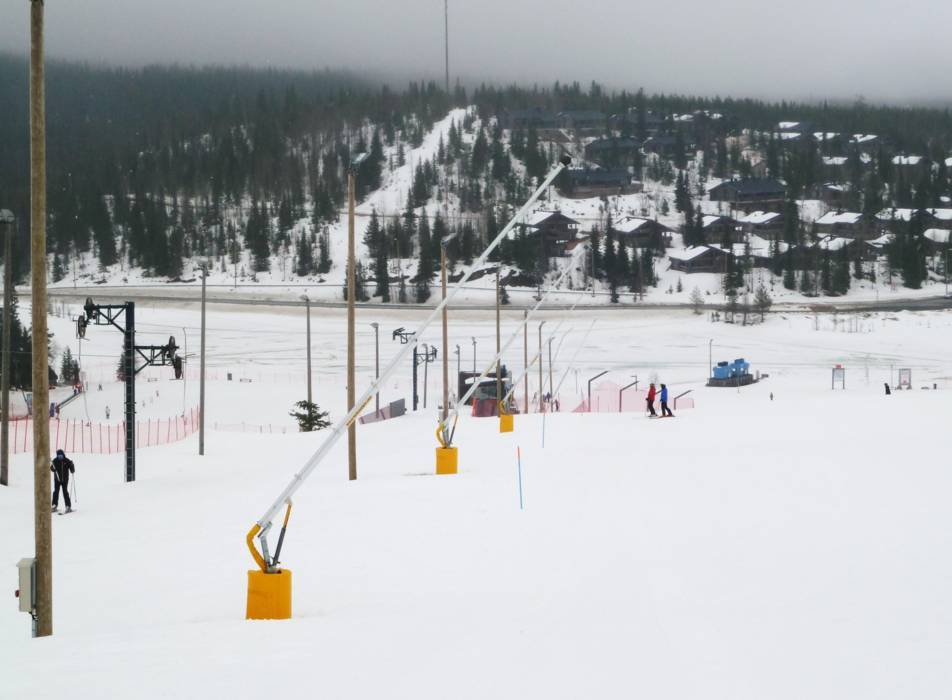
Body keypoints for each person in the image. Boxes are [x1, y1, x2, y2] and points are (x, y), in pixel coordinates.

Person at [51, 449, 75, 513]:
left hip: (65, 480)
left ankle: (68, 506)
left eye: (61, 455)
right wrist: (53, 468)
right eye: (59, 456)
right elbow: (51, 467)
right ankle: (54, 505)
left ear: (63, 455)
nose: (60, 457)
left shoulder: (66, 460)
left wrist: (72, 468)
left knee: (65, 492)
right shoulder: (55, 461)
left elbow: (71, 468)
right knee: (56, 492)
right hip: (57, 480)